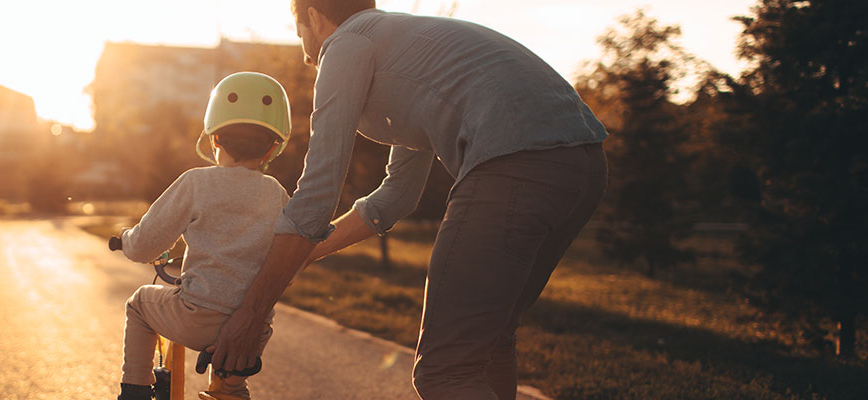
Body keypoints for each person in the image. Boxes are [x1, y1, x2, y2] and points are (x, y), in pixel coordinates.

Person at [208, 1, 609, 399]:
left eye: (299, 35)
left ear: (313, 16)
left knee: (444, 371)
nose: (306, 55)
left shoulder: (347, 43)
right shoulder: (409, 45)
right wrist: (303, 255)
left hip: (515, 161)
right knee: (486, 345)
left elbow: (317, 192)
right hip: (584, 163)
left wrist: (251, 312)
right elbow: (396, 196)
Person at [115, 72, 293, 400]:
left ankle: (135, 391)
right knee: (231, 390)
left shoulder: (197, 182)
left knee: (139, 304)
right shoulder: (276, 193)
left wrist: (127, 239)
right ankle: (230, 391)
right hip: (254, 331)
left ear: (214, 139)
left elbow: (144, 245)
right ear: (273, 147)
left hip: (196, 317)